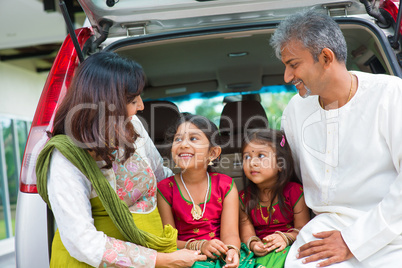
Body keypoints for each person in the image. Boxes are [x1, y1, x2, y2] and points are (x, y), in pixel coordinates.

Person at [35, 51, 206, 267]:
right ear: (108, 104)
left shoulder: (132, 126)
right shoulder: (65, 158)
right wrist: (160, 260)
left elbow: (163, 177)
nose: (142, 106)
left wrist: (203, 185)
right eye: (133, 100)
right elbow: (81, 241)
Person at [270, 9, 402, 267]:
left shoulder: (391, 95)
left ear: (326, 57)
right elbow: (294, 178)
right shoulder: (295, 110)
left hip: (392, 231)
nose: (287, 77)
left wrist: (353, 241)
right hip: (323, 232)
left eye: (293, 65)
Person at [157, 114, 261, 268]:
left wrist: (232, 250)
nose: (183, 144)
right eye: (178, 139)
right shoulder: (165, 189)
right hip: (186, 257)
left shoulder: (225, 185)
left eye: (193, 139)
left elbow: (230, 234)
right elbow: (169, 241)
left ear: (213, 153)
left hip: (222, 252)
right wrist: (199, 246)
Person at [239, 129, 310, 268]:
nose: (252, 162)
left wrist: (285, 238)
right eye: (246, 157)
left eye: (260, 155)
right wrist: (254, 245)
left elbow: (303, 228)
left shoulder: (294, 192)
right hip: (258, 252)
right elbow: (247, 234)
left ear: (280, 164)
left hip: (288, 247)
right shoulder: (243, 198)